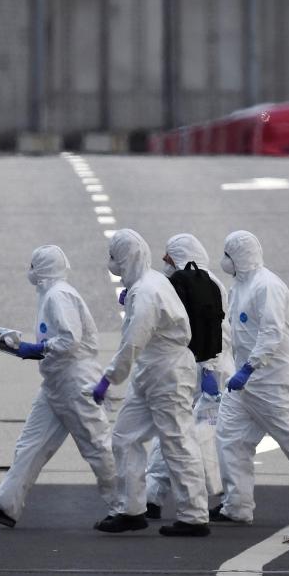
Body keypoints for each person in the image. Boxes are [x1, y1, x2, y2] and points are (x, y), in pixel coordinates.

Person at [0, 245, 120, 528]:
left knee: (97, 446)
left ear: (41, 269)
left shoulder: (58, 296)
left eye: (32, 264)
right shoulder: (50, 295)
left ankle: (127, 507)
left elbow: (69, 340)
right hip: (55, 383)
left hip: (74, 382)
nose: (29, 270)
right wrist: (24, 345)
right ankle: (6, 504)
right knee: (30, 444)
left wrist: (36, 349)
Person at [92, 229, 211, 538]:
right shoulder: (150, 283)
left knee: (177, 440)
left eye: (114, 258)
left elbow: (133, 341)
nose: (111, 264)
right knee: (125, 437)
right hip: (153, 371)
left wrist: (109, 378)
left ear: (126, 258)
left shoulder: (145, 291)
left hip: (167, 372)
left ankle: (194, 516)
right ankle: (131, 509)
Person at [212, 230, 289, 525]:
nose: (224, 261)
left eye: (228, 255)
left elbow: (272, 332)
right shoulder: (240, 286)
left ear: (240, 256)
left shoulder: (267, 286)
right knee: (229, 438)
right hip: (244, 386)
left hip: (271, 381)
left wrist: (248, 368)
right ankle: (237, 505)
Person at [145, 233, 234, 520]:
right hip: (197, 368)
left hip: (205, 369)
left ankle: (165, 498)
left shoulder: (200, 284)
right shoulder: (190, 282)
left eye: (168, 259)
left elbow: (216, 332)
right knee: (180, 434)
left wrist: (209, 369)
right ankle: (154, 496)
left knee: (182, 436)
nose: (165, 264)